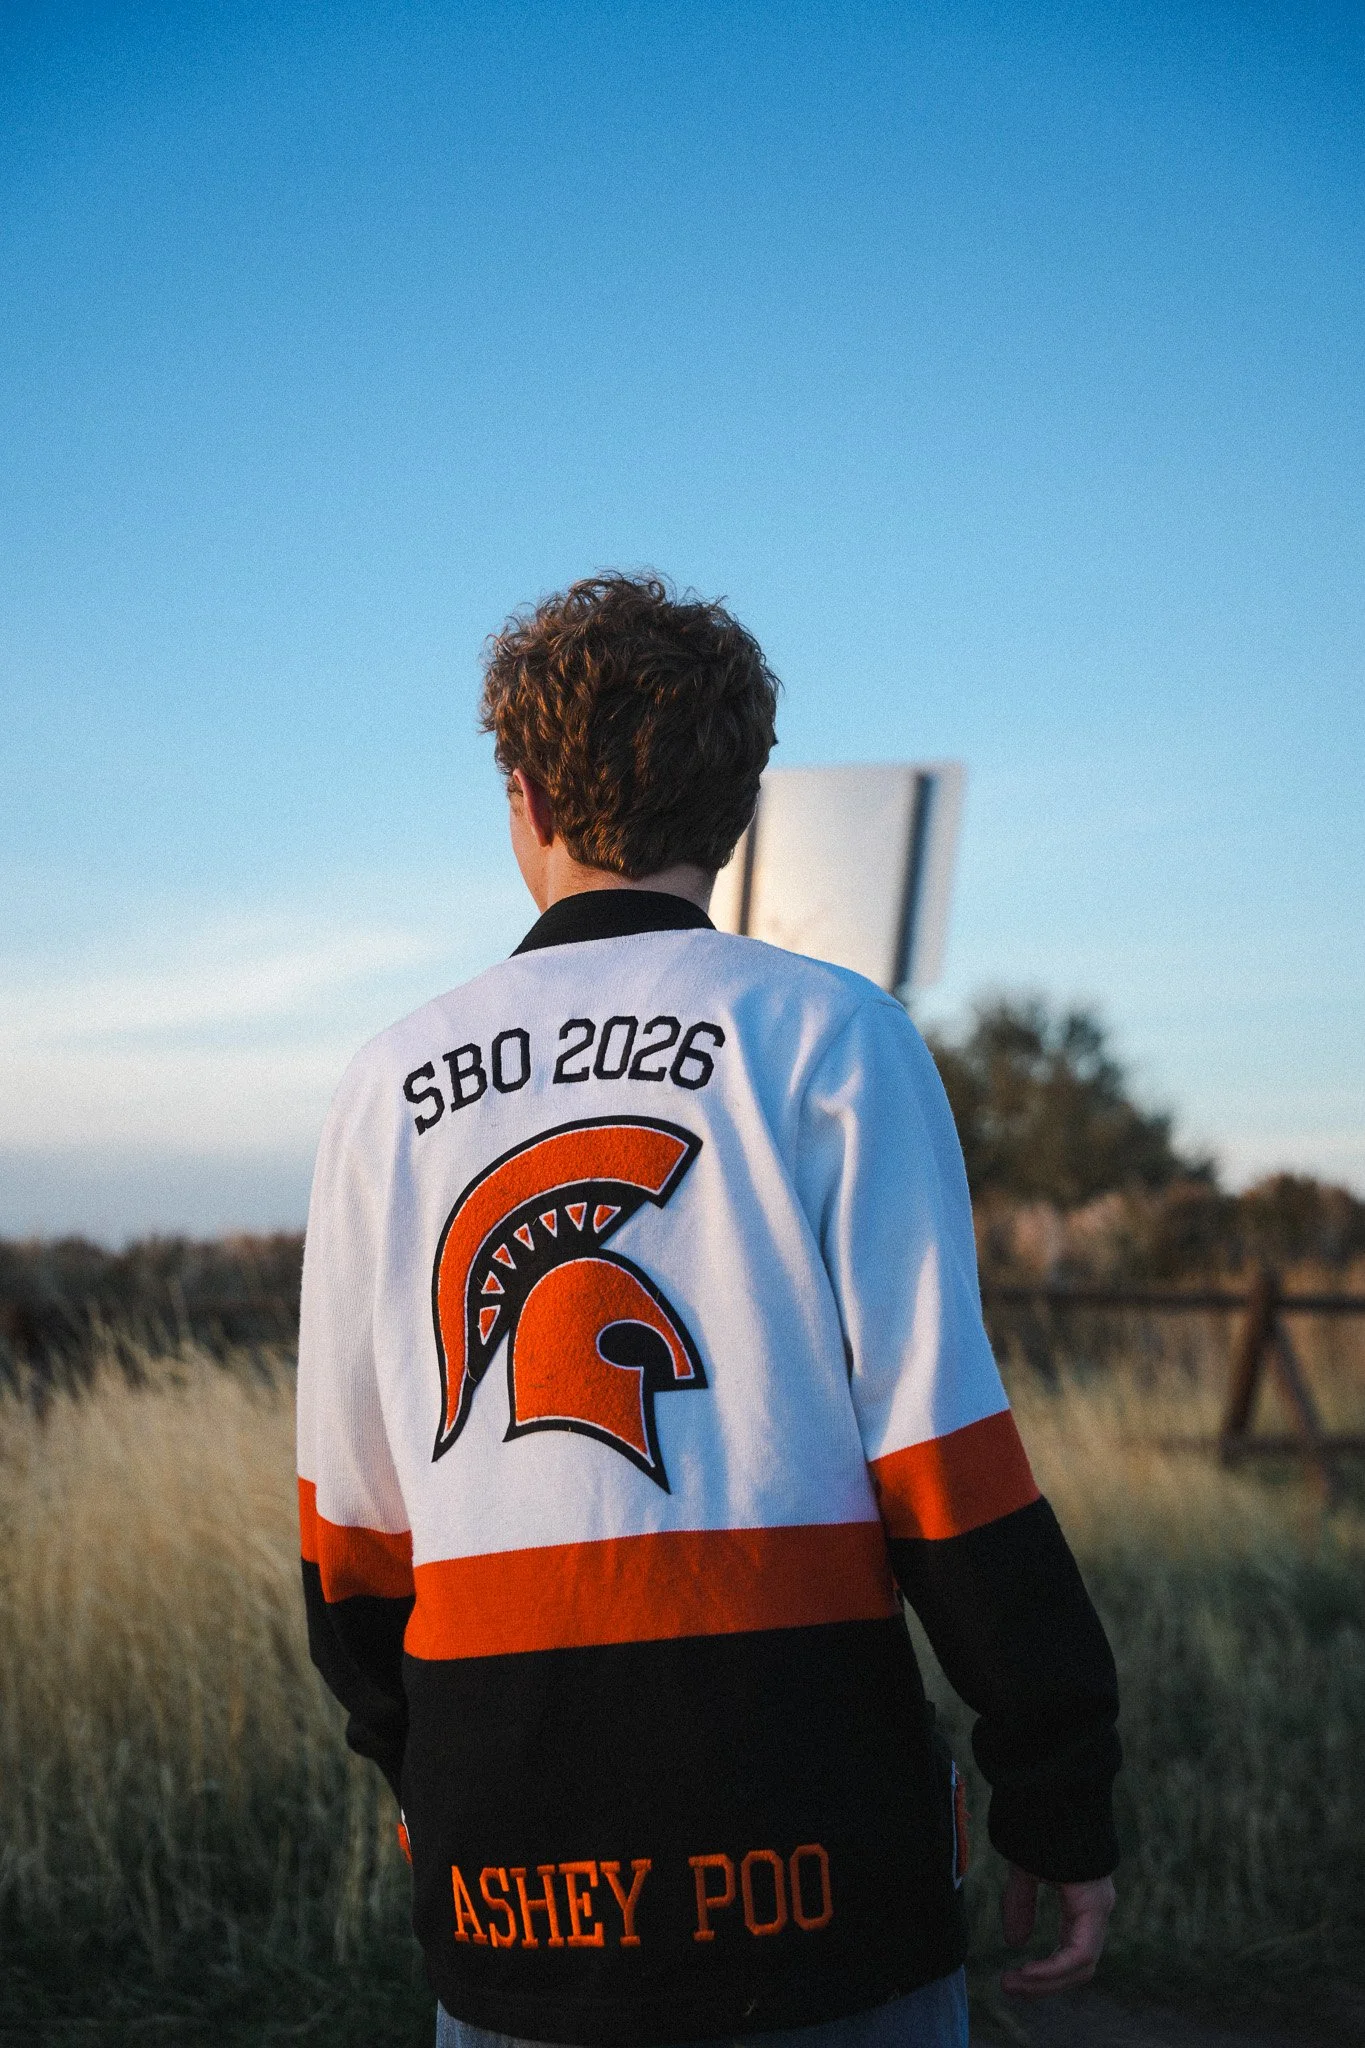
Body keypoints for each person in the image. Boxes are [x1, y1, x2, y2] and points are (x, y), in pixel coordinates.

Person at [297, 574, 1120, 2048]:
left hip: (513, 1887)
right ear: (737, 814)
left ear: (526, 798)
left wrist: (428, 1780)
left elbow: (351, 1537)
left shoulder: (386, 1090)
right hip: (826, 1879)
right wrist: (1058, 1797)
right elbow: (951, 1473)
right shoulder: (837, 1038)